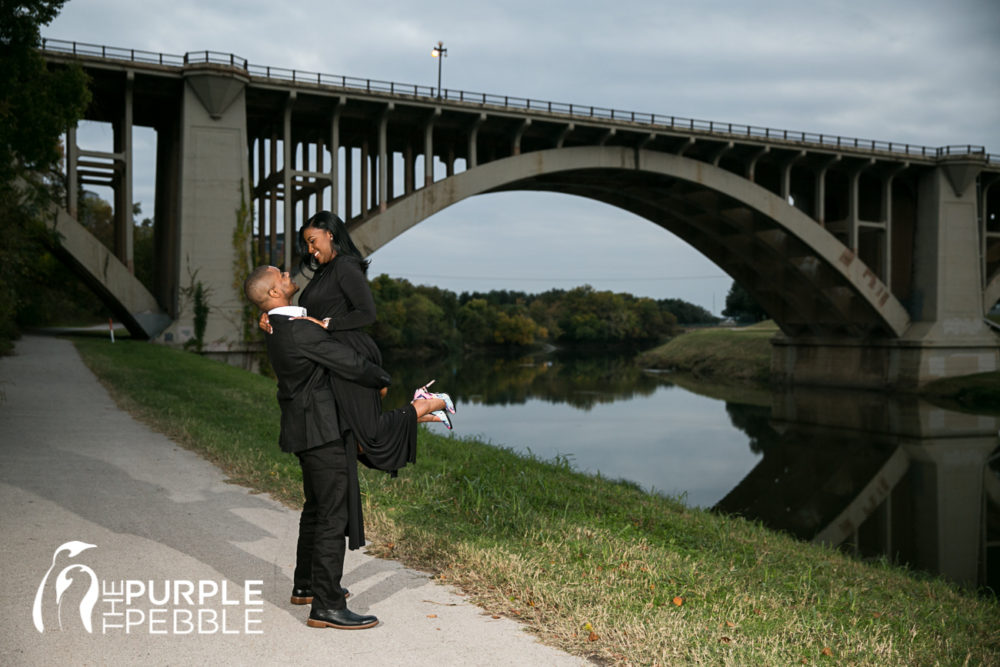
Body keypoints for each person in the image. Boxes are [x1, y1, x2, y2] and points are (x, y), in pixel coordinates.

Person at [243, 265, 449, 630]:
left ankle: (306, 586)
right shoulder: (297, 330)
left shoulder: (278, 326)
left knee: (316, 508)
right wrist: (382, 379)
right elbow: (351, 363)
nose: (289, 272)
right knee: (331, 516)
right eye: (281, 274)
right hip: (322, 432)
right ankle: (327, 605)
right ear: (275, 293)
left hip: (305, 430)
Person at [263, 210, 455, 475]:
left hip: (351, 352)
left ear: (330, 234)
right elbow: (306, 317)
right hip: (333, 357)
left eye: (312, 240)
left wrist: (329, 324)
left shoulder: (345, 266)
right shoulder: (325, 271)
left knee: (368, 435)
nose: (309, 249)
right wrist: (271, 318)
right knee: (355, 436)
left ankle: (426, 404)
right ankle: (423, 409)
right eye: (306, 244)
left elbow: (367, 313)